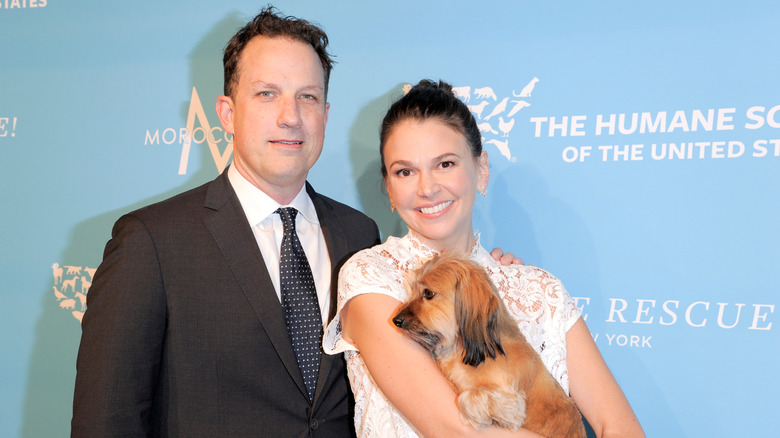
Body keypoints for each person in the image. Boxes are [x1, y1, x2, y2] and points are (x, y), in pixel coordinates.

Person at [71, 8, 518, 438]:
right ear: (227, 113)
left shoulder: (360, 238)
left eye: (307, 96)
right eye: (267, 94)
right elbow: (107, 420)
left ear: (325, 114)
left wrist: (492, 282)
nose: (291, 116)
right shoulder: (152, 242)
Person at [324, 80, 645, 438]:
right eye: (405, 171)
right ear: (389, 189)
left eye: (445, 164)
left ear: (482, 169)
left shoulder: (540, 291)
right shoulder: (371, 276)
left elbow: (618, 426)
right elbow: (456, 429)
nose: (427, 188)